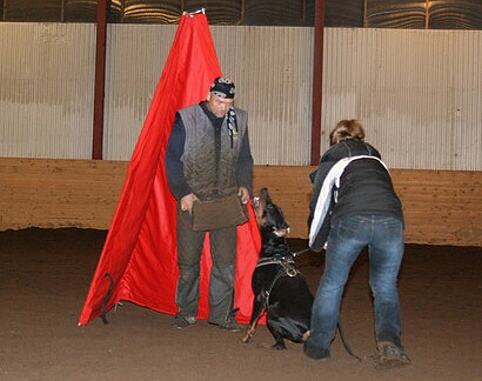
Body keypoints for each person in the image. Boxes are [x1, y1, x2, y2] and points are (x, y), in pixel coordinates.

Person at [304, 119, 411, 369]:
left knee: (332, 283)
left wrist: (317, 241)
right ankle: (390, 345)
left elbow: (320, 203)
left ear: (335, 140)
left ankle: (318, 346)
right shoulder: (378, 162)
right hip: (391, 221)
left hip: (352, 218)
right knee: (385, 286)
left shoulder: (334, 156)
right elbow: (386, 197)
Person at [165, 77, 254, 332]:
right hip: (193, 200)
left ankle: (222, 315)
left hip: (226, 199)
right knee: (189, 261)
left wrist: (245, 184)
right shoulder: (186, 118)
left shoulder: (239, 119)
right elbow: (172, 159)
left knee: (225, 262)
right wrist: (183, 193)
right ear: (208, 95)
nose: (222, 108)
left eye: (228, 103)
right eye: (218, 101)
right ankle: (186, 312)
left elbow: (245, 158)